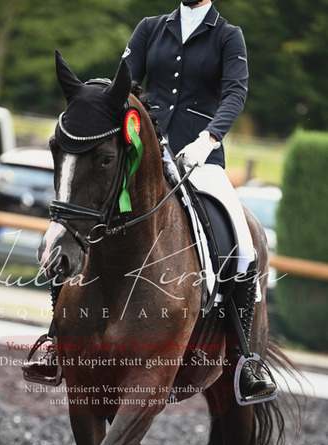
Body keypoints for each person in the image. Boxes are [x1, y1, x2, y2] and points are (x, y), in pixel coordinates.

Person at [122, 0, 276, 401]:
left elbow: (235, 93)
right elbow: (124, 84)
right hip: (144, 152)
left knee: (244, 248)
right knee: (86, 214)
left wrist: (208, 139)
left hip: (200, 157)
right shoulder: (150, 27)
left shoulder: (228, 36)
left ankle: (243, 362)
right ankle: (56, 337)